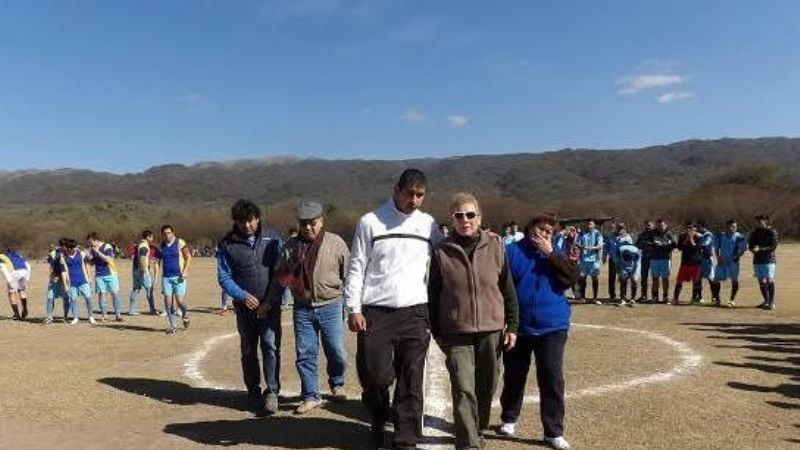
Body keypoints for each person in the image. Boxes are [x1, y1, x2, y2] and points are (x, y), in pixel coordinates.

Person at [343, 168, 442, 450]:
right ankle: (378, 416)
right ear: (396, 190)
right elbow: (356, 266)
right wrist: (353, 308)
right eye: (410, 194)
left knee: (411, 377)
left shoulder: (428, 224)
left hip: (415, 312)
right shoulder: (370, 222)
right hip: (376, 311)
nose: (414, 200)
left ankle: (405, 439)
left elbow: (447, 255)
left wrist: (480, 239)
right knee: (375, 376)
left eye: (420, 195)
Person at [428, 193, 519, 450]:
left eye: (470, 214)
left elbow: (507, 288)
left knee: (487, 386)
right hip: (456, 331)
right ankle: (468, 442)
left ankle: (478, 427)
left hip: (491, 330)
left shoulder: (496, 246)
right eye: (459, 216)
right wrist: (437, 331)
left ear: (479, 218)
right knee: (463, 387)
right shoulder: (441, 251)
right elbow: (433, 294)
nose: (465, 220)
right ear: (452, 220)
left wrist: (512, 325)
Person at [497, 213, 579, 450]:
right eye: (540, 228)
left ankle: (553, 432)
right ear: (530, 227)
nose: (543, 234)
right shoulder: (511, 252)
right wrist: (507, 321)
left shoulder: (557, 254)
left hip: (552, 326)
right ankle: (509, 418)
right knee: (514, 375)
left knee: (552, 378)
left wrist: (551, 254)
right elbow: (500, 287)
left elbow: (571, 279)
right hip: (519, 327)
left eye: (549, 232)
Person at [269, 200, 350, 414]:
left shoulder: (336, 243)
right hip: (303, 308)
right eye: (304, 224)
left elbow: (349, 274)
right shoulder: (290, 246)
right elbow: (279, 277)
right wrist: (269, 301)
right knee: (305, 353)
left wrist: (352, 304)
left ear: (321, 221)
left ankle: (337, 382)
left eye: (313, 223)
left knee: (337, 350)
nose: (308, 228)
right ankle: (311, 395)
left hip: (331, 305)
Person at [217, 199, 283, 416]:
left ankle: (272, 391)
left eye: (250, 220)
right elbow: (224, 277)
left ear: (257, 218)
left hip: (270, 306)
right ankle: (253, 391)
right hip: (244, 309)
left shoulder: (273, 239)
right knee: (248, 349)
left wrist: (270, 300)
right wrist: (242, 295)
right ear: (235, 222)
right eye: (241, 221)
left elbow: (281, 272)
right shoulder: (227, 244)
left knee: (270, 346)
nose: (246, 225)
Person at [160, 224, 192, 333]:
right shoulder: (163, 244)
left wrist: (185, 270)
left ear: (173, 233)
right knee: (168, 302)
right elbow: (160, 260)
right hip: (166, 278)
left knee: (179, 301)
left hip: (179, 277)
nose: (167, 235)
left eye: (169, 233)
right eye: (165, 234)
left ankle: (185, 314)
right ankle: (173, 326)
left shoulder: (180, 242)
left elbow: (188, 257)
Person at [86, 232, 123, 322]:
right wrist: (88, 258)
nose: (90, 244)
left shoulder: (107, 246)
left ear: (96, 240)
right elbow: (92, 263)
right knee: (102, 295)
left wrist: (97, 252)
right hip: (99, 275)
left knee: (115, 294)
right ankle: (104, 315)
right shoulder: (91, 249)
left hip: (111, 273)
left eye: (90, 242)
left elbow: (108, 259)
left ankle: (118, 315)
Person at [711, 219, 747, 307]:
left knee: (734, 280)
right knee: (715, 280)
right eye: (730, 226)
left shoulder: (739, 237)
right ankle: (717, 299)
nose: (732, 228)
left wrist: (736, 257)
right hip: (722, 262)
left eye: (734, 227)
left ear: (736, 227)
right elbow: (716, 248)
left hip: (733, 263)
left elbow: (743, 249)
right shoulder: (721, 236)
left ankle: (731, 300)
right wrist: (718, 257)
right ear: (726, 227)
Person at [61, 239, 96, 325]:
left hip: (83, 280)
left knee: (88, 298)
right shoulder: (64, 258)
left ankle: (91, 316)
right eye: (68, 248)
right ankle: (75, 317)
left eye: (72, 248)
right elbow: (64, 271)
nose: (70, 250)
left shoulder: (81, 254)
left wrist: (89, 277)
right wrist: (66, 284)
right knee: (73, 300)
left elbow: (88, 264)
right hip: (72, 282)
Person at [128, 230, 162, 316]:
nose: (152, 239)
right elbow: (143, 257)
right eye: (151, 237)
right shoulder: (144, 246)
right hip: (142, 270)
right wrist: (144, 270)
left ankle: (131, 310)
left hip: (135, 269)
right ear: (148, 237)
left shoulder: (139, 244)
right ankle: (152, 309)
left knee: (136, 289)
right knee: (149, 289)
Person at [748, 214, 779, 310]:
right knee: (761, 281)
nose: (757, 223)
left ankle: (771, 302)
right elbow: (750, 245)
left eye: (759, 222)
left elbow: (773, 246)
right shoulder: (754, 232)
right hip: (757, 260)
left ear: (765, 221)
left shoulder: (772, 231)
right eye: (756, 222)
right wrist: (752, 249)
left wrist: (760, 249)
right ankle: (766, 301)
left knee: (769, 280)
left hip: (769, 260)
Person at [671, 222, 703, 305]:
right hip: (685, 262)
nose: (690, 230)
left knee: (696, 281)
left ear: (696, 229)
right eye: (688, 228)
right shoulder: (682, 236)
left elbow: (697, 248)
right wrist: (686, 239)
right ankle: (675, 298)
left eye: (692, 228)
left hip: (696, 262)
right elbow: (679, 248)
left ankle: (694, 298)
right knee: (679, 281)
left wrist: (691, 238)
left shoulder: (699, 237)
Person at [576, 219, 603, 304]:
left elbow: (600, 246)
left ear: (594, 225)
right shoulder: (582, 234)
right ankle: (582, 297)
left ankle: (595, 298)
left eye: (591, 224)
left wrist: (591, 248)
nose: (589, 226)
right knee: (582, 278)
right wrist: (581, 246)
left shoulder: (598, 234)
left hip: (594, 260)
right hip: (584, 260)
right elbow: (578, 244)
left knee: (595, 278)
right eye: (588, 224)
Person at [0, 247, 31, 320]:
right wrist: (28, 277)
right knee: (22, 291)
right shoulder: (19, 256)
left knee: (12, 293)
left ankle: (16, 314)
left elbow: (2, 267)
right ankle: (25, 309)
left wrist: (9, 280)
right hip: (24, 272)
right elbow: (28, 265)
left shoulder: (3, 256)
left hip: (14, 273)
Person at [649, 219, 676, 303]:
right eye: (659, 225)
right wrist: (654, 244)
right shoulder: (652, 233)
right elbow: (647, 243)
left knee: (665, 278)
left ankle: (665, 297)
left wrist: (663, 245)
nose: (660, 227)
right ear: (656, 225)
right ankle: (655, 297)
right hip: (654, 259)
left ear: (665, 225)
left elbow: (674, 244)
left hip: (665, 259)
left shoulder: (669, 233)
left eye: (662, 225)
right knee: (655, 278)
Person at [44, 239, 71, 324]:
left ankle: (66, 317)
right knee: (50, 297)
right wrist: (53, 277)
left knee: (66, 298)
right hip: (55, 278)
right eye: (63, 246)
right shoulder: (54, 253)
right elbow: (51, 266)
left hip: (65, 279)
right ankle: (49, 317)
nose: (65, 248)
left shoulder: (70, 253)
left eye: (66, 246)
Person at [691, 220, 716, 304]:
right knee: (697, 279)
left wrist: (700, 237)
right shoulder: (696, 234)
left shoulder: (708, 234)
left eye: (698, 226)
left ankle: (714, 297)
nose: (696, 228)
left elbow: (705, 244)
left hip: (707, 259)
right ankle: (699, 297)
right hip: (698, 259)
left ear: (702, 226)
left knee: (710, 278)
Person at [634, 220, 656, 302]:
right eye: (646, 225)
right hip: (644, 258)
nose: (648, 227)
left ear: (652, 226)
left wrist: (649, 244)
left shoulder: (655, 234)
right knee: (644, 277)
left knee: (654, 277)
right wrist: (642, 244)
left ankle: (654, 296)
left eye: (649, 225)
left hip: (654, 257)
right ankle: (644, 295)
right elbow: (637, 244)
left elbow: (657, 244)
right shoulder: (642, 234)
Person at [615, 238, 641, 307]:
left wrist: (633, 273)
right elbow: (617, 264)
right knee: (623, 280)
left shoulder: (636, 252)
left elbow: (636, 264)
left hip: (634, 265)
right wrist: (619, 273)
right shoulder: (619, 251)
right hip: (623, 265)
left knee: (634, 280)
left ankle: (632, 299)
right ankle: (622, 299)